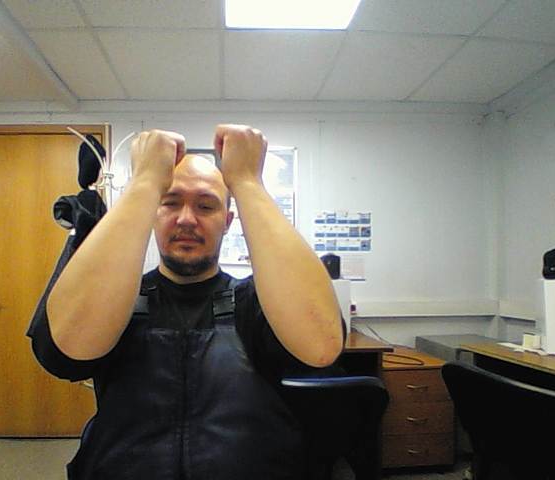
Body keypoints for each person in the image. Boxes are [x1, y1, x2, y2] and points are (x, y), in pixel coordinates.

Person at [28, 124, 344, 480]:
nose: (187, 219)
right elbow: (63, 353)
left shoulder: (256, 304)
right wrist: (145, 182)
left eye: (206, 206)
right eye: (170, 202)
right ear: (151, 212)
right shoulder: (118, 303)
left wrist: (248, 183)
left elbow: (321, 346)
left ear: (227, 221)